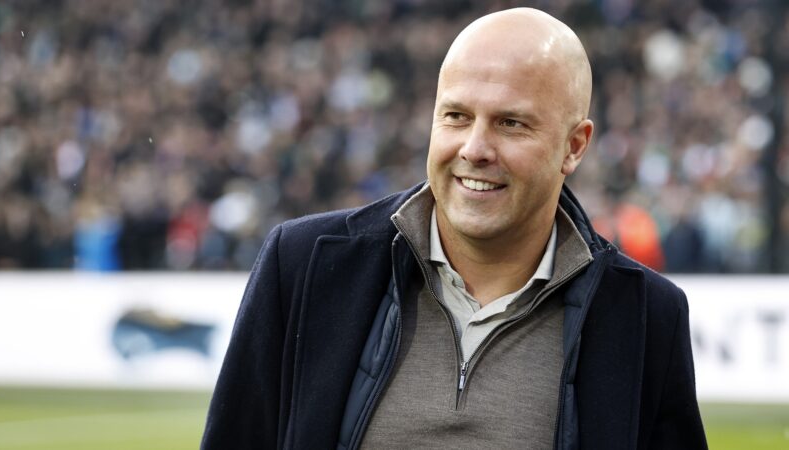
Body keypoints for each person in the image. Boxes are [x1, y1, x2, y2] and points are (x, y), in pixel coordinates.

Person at [202, 8, 707, 449]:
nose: (474, 149)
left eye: (511, 123)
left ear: (574, 147)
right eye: (456, 116)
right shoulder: (303, 264)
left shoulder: (645, 315)